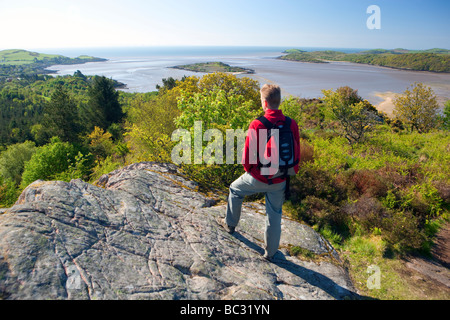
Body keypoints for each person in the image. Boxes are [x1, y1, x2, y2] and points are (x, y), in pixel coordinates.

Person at [223, 84, 301, 260]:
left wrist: (253, 173)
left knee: (235, 189)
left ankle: (230, 225)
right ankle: (270, 253)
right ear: (278, 101)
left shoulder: (258, 124)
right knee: (274, 214)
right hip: (282, 179)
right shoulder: (291, 123)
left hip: (259, 177)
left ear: (264, 103)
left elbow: (248, 158)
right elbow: (297, 152)